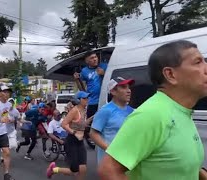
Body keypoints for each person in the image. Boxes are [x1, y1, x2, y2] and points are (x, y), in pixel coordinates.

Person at [98, 40, 207, 180]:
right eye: (198, 62)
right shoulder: (151, 115)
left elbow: (184, 166)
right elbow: (108, 171)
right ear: (170, 75)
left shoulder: (182, 112)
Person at [90, 77, 134, 165]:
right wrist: (112, 150)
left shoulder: (132, 111)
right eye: (124, 87)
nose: (129, 91)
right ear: (113, 91)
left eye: (129, 87)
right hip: (109, 163)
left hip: (127, 161)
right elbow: (93, 134)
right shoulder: (105, 110)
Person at [46, 91, 89, 180]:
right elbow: (64, 124)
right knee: (75, 171)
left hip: (80, 142)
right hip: (71, 141)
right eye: (84, 98)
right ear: (78, 100)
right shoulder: (74, 111)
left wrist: (93, 118)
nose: (87, 100)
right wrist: (74, 132)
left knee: (83, 169)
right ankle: (54, 170)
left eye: (87, 98)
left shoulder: (84, 110)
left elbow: (83, 124)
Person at [73, 50, 108, 148]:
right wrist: (77, 80)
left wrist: (104, 73)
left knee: (104, 122)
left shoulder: (104, 66)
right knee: (92, 124)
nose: (95, 59)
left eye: (95, 57)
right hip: (92, 102)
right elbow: (82, 89)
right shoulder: (84, 71)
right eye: (91, 58)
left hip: (104, 100)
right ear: (87, 61)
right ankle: (91, 139)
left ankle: (104, 141)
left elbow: (112, 79)